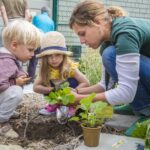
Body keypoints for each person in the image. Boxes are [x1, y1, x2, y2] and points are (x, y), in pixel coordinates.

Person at [69, 0, 150, 117]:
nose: (81, 41)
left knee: (110, 54)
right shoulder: (108, 42)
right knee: (109, 53)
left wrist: (80, 99)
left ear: (97, 21)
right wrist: (76, 92)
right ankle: (138, 104)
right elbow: (104, 85)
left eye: (83, 33)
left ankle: (145, 109)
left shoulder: (125, 34)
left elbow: (127, 92)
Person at [0, 20, 40, 138]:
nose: (33, 54)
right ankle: (2, 123)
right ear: (14, 45)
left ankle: (5, 110)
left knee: (15, 89)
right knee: (16, 91)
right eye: (30, 49)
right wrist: (15, 82)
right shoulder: (6, 61)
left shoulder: (8, 57)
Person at [33, 31, 89, 116]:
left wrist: (76, 91)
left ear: (63, 55)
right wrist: (49, 89)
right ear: (45, 57)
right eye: (49, 56)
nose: (54, 59)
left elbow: (86, 82)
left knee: (72, 81)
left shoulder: (70, 67)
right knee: (45, 83)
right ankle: (54, 105)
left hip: (70, 94)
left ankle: (72, 106)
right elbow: (35, 87)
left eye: (57, 55)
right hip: (55, 94)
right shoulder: (45, 69)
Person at [27, 6, 55, 83]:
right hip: (46, 42)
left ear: (41, 11)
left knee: (33, 61)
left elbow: (32, 28)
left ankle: (30, 79)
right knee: (46, 61)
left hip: (37, 40)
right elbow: (51, 34)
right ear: (48, 13)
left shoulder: (36, 17)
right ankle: (46, 80)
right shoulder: (51, 21)